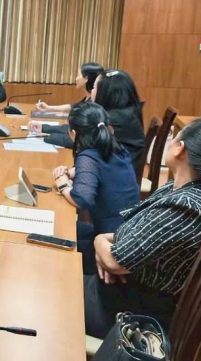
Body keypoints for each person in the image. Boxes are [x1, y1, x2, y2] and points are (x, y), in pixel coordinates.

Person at [84, 117, 201, 338]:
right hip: (124, 295)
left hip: (129, 316)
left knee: (47, 289)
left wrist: (100, 243)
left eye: (174, 138)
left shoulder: (187, 207)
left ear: (180, 148)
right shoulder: (179, 189)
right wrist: (106, 250)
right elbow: (131, 239)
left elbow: (115, 261)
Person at [51, 102, 139, 274]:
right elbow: (103, 168)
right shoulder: (117, 148)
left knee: (58, 235)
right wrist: (72, 171)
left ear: (73, 134)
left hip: (110, 241)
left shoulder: (87, 157)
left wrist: (62, 184)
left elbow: (82, 199)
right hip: (128, 232)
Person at [32, 62, 105, 148]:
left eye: (78, 75)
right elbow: (73, 108)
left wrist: (45, 136)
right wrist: (44, 127)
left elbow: (78, 139)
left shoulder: (93, 106)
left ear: (86, 78)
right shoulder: (88, 99)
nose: (76, 78)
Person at [92, 69, 146, 176]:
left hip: (117, 177)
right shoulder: (126, 113)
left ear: (106, 93)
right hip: (123, 171)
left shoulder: (112, 119)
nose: (92, 91)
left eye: (94, 87)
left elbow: (83, 139)